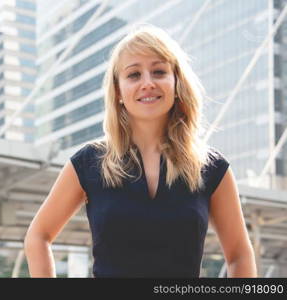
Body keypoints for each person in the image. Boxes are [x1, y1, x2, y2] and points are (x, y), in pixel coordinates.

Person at [24, 25, 257, 278]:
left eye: (159, 71)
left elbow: (239, 255)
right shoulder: (89, 162)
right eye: (134, 75)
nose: (147, 83)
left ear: (176, 83)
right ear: (118, 91)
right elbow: (38, 236)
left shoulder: (212, 168)